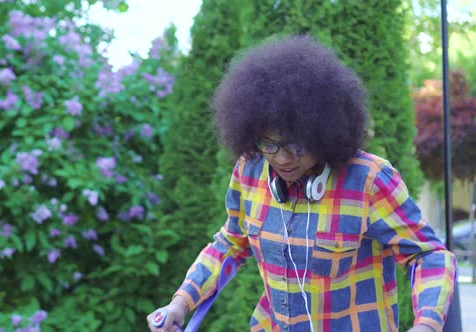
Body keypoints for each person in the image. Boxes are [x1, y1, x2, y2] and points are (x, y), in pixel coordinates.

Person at [146, 35, 457, 332]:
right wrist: (181, 302)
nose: (282, 159)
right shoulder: (249, 171)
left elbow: (428, 255)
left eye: (296, 146)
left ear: (324, 133)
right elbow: (230, 245)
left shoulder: (369, 180)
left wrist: (427, 322)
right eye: (270, 145)